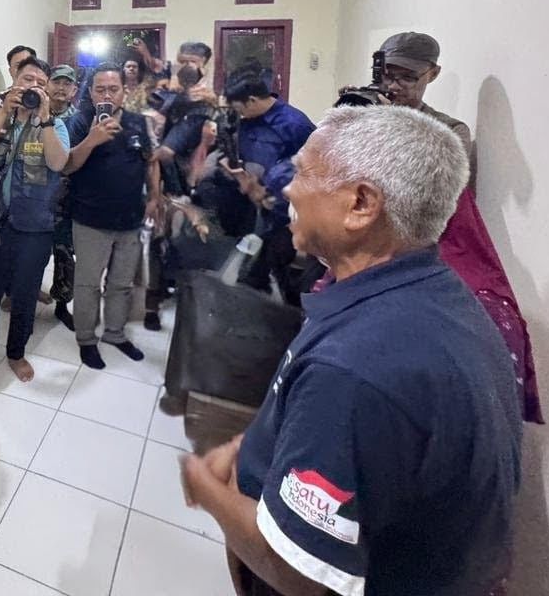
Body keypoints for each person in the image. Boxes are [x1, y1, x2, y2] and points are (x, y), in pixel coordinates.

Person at [183, 106, 522, 596]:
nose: (288, 190)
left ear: (361, 204)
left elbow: (297, 574)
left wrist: (206, 487)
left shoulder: (354, 370)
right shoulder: (432, 294)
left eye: (303, 174)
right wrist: (253, 446)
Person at [0, 57, 70, 382]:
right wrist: (2, 113)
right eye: (27, 79)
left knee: (25, 295)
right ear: (14, 81)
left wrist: (45, 120)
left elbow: (58, 163)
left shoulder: (55, 124)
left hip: (34, 226)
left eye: (40, 82)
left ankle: (16, 353)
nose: (33, 86)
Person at [64, 63, 162, 369]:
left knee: (121, 283)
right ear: (91, 93)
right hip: (90, 219)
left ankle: (115, 334)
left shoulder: (139, 123)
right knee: (88, 284)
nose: (107, 95)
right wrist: (92, 139)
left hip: (130, 218)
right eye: (100, 89)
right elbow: (67, 165)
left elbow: (152, 161)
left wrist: (154, 197)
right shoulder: (80, 121)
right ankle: (86, 339)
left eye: (113, 89)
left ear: (125, 91)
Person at [220, 75, 316, 296]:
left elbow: (311, 166)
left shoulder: (295, 124)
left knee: (279, 261)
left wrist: (273, 192)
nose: (239, 114)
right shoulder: (245, 121)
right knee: (252, 268)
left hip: (286, 209)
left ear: (252, 101)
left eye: (240, 108)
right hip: (253, 202)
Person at [376, 30, 477, 184]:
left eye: (408, 77)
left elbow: (438, 186)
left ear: (433, 74)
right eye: (387, 76)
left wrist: (394, 121)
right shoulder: (366, 113)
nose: (394, 86)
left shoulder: (450, 130)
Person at [47, 64, 80, 327]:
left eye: (66, 84)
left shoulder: (79, 120)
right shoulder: (35, 112)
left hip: (65, 198)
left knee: (64, 254)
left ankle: (61, 303)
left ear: (74, 90)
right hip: (35, 195)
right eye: (56, 82)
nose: (61, 88)